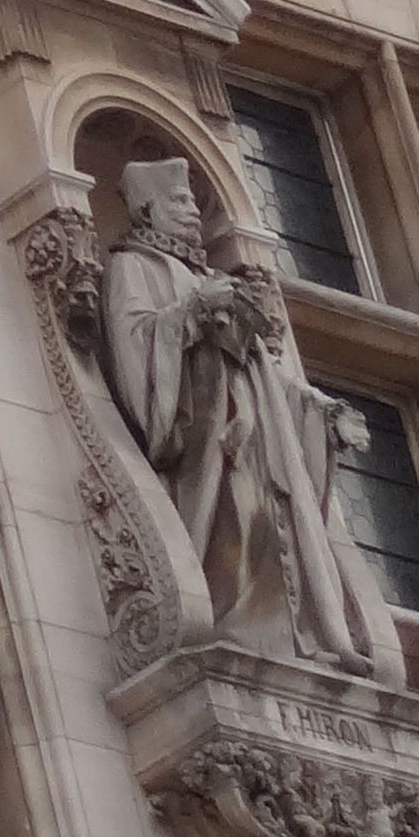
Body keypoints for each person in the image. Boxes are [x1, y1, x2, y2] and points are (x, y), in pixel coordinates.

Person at [100, 155, 376, 669]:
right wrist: (193, 313)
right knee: (242, 522)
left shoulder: (208, 273)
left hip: (259, 430)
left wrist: (317, 407)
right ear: (146, 210)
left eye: (193, 202)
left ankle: (303, 640)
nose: (191, 212)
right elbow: (131, 343)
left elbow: (266, 372)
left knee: (279, 523)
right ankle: (238, 626)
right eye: (179, 201)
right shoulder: (133, 265)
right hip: (208, 436)